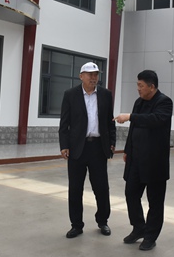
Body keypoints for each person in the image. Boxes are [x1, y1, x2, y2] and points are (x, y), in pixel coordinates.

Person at [114, 70, 173, 251]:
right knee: (131, 194)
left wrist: (130, 116)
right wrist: (127, 150)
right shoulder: (138, 102)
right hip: (136, 159)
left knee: (155, 202)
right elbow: (133, 129)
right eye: (137, 85)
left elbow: (155, 120)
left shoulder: (164, 102)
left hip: (154, 162)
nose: (138, 89)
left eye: (141, 86)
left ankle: (150, 236)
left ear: (152, 86)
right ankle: (139, 227)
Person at [59, 62, 116, 238]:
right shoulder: (70, 95)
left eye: (96, 74)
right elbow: (64, 124)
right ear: (81, 76)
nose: (93, 78)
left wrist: (112, 142)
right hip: (77, 148)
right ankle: (76, 225)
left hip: (98, 148)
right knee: (75, 189)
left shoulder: (105, 94)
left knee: (101, 188)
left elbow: (110, 122)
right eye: (90, 74)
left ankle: (103, 221)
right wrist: (64, 145)